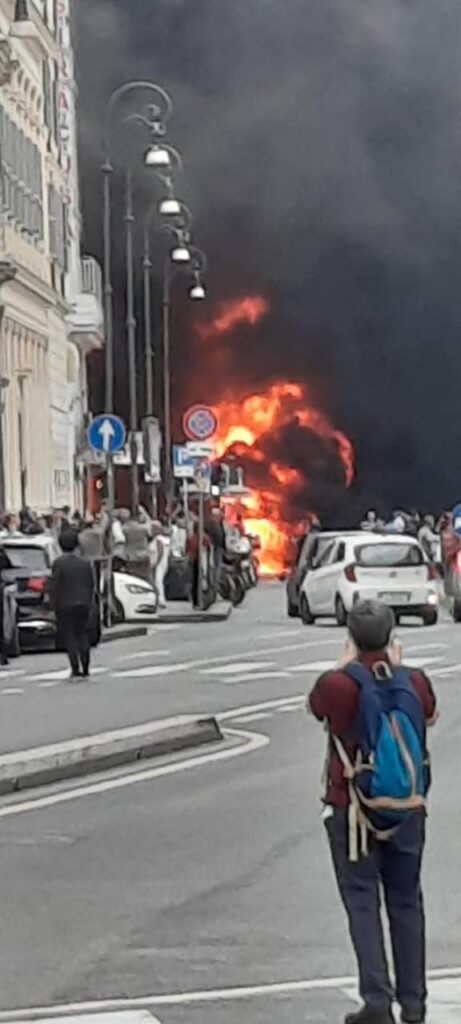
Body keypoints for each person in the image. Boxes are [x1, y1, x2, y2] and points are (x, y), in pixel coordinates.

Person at [308, 600, 437, 1024]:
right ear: (391, 634)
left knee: (363, 900)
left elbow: (317, 710)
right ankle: (414, 1005)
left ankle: (377, 1000)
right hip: (407, 808)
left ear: (350, 634)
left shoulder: (338, 684)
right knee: (406, 902)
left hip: (353, 809)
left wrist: (346, 664)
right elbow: (430, 717)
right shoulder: (414, 681)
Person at [50, 529, 95, 680]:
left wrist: (53, 605)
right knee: (82, 635)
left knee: (70, 637)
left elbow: (55, 586)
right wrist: (90, 602)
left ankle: (75, 669)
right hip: (83, 603)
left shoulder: (59, 564)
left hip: (65, 604)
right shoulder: (85, 563)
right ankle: (86, 668)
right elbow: (91, 585)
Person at [149, 520, 171, 609]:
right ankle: (159, 599)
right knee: (159, 581)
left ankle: (160, 600)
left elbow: (160, 551)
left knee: (157, 581)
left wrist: (155, 563)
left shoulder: (158, 539)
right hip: (164, 562)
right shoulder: (165, 539)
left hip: (158, 562)